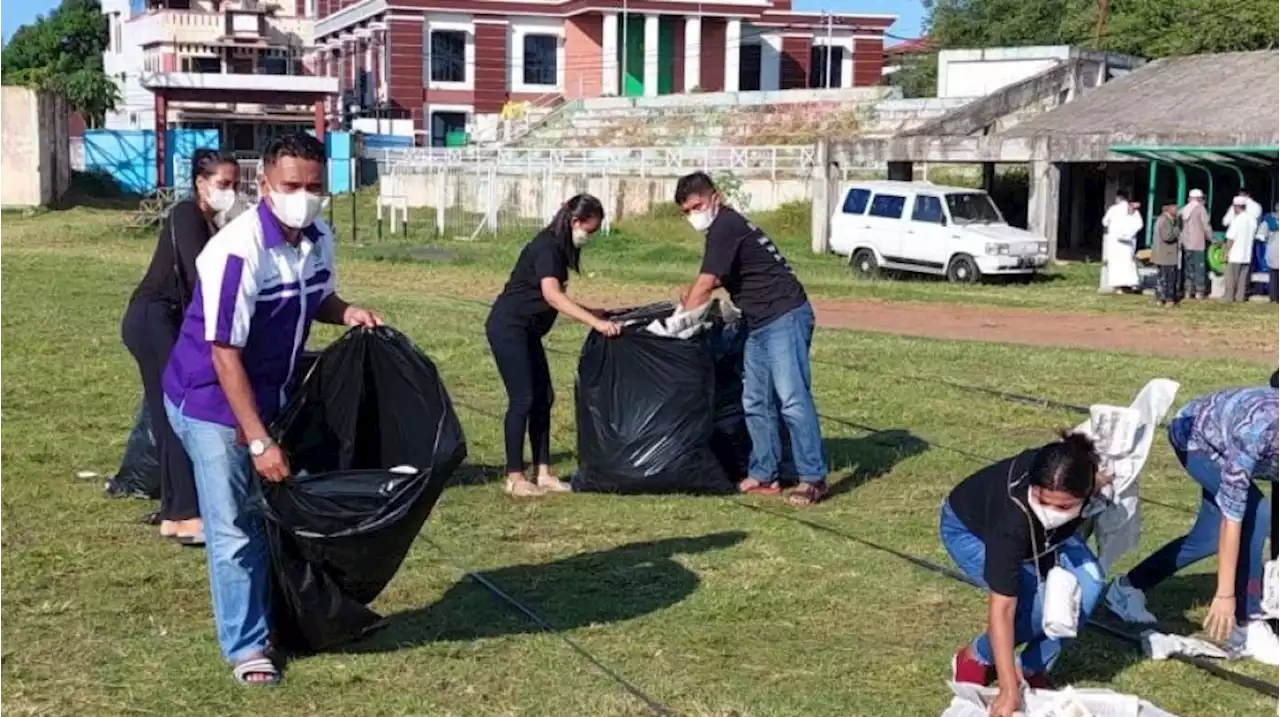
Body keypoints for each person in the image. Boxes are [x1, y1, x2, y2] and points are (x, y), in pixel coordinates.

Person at [161, 133, 381, 686]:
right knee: (234, 525)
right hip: (210, 400)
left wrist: (346, 310)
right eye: (291, 186)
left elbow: (314, 296)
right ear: (266, 185)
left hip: (269, 393)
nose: (303, 197)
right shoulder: (237, 251)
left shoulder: (318, 238)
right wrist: (258, 441)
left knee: (270, 515)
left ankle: (281, 615)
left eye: (313, 187)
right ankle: (246, 646)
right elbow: (224, 352)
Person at [673, 171, 828, 507]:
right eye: (686, 212)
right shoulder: (722, 231)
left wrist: (679, 324)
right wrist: (692, 299)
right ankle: (764, 472)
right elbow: (718, 277)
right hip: (757, 321)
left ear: (715, 196)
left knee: (791, 398)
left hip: (785, 315)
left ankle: (813, 477)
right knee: (755, 400)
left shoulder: (726, 225)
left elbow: (706, 281)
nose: (693, 216)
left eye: (697, 206)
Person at [1105, 387, 1280, 665]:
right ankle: (1245, 625)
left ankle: (1127, 587)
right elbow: (1233, 518)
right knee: (1255, 513)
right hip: (1196, 437)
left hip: (1229, 433)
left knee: (1209, 538)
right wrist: (1225, 595)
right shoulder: (1256, 434)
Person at [942, 433, 1106, 717]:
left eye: (1064, 506)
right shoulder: (1011, 522)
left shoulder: (1085, 474)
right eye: (1043, 501)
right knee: (1036, 604)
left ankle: (1029, 668)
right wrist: (1007, 690)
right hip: (970, 532)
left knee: (1089, 587)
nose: (1052, 511)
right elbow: (1003, 607)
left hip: (1051, 539)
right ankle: (974, 657)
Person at [121, 149, 238, 545]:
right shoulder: (187, 215)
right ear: (201, 183)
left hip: (167, 320)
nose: (230, 191)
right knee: (178, 413)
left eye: (235, 185)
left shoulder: (209, 222)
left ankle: (174, 514)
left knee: (168, 412)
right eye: (223, 184)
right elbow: (200, 273)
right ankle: (186, 513)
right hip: (154, 318)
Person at [485, 194, 620, 498]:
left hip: (528, 332)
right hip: (509, 328)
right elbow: (552, 295)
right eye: (590, 229)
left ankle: (543, 472)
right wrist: (595, 323)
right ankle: (515, 477)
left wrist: (592, 311)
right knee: (523, 399)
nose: (590, 236)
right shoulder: (547, 246)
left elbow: (555, 296)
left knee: (543, 397)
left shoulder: (559, 248)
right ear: (575, 222)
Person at [1100, 192, 1142, 294]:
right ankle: (1130, 284)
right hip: (1129, 242)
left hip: (1115, 242)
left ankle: (1117, 286)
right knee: (1128, 262)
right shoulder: (1133, 210)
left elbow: (1104, 222)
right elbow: (1139, 224)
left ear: (1118, 198)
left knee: (1116, 263)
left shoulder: (1113, 209)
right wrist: (1129, 233)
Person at [1223, 196, 1258, 303]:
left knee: (1231, 278)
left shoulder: (1236, 220)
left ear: (1235, 207)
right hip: (1247, 253)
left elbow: (1231, 238)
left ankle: (1229, 297)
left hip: (1235, 254)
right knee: (1243, 279)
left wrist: (1226, 251)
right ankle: (1240, 297)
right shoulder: (1252, 220)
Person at [1180, 189, 1213, 300]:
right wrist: (1211, 238)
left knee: (1189, 268)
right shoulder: (1200, 209)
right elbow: (1206, 226)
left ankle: (1188, 291)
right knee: (1199, 268)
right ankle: (1199, 291)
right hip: (1198, 243)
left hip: (1186, 243)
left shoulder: (1185, 209)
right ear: (1199, 198)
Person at [1151, 200, 1181, 308]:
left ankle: (1160, 298)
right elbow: (1167, 237)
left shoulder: (1161, 219)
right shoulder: (1166, 221)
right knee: (1168, 278)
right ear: (1168, 208)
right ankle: (1168, 299)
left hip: (1162, 255)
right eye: (1175, 207)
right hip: (1167, 255)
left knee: (1162, 279)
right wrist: (1177, 231)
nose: (1177, 210)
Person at [1262, 204, 1280, 304]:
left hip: (1272, 250)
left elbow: (1262, 236)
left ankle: (1273, 298)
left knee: (1273, 276)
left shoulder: (1268, 221)